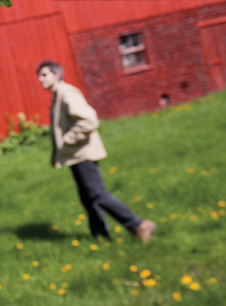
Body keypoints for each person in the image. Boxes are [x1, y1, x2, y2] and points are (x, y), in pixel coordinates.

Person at [36, 60, 156, 243]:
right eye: (39, 75)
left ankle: (138, 225)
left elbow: (89, 120)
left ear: (56, 75)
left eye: (44, 75)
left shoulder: (67, 94)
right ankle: (100, 236)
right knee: (88, 198)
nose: (40, 79)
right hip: (75, 155)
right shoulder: (58, 95)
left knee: (97, 194)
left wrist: (68, 140)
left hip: (83, 154)